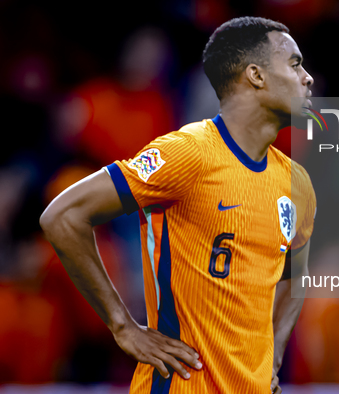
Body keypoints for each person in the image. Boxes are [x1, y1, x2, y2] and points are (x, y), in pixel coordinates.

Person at [40, 16, 316, 394]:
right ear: (256, 75)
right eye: (295, 64)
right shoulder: (188, 153)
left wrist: (275, 352)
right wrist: (123, 326)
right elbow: (62, 215)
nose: (308, 77)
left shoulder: (297, 183)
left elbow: (293, 275)